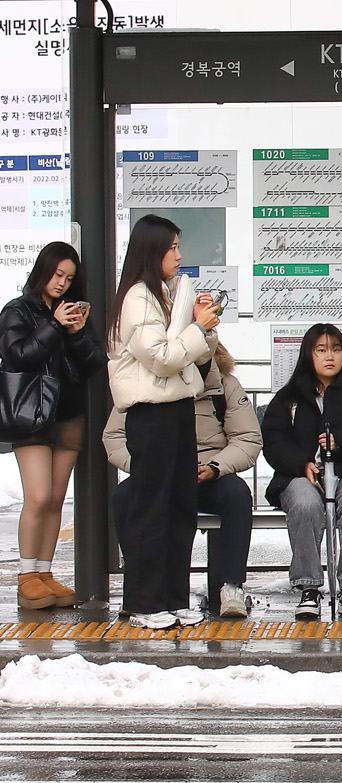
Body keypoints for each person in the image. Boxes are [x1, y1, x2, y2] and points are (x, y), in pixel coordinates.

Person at [105, 213, 221, 629]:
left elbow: (195, 356)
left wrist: (204, 327)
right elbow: (164, 357)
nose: (179, 254)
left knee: (180, 506)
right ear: (153, 250)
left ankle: (172, 597)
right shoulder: (137, 297)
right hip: (149, 414)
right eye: (172, 247)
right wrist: (195, 329)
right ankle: (142, 602)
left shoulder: (166, 295)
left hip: (176, 408)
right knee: (151, 507)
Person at [105, 342, 260, 618]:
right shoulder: (141, 383)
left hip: (208, 473)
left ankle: (231, 586)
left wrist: (215, 467)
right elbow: (114, 437)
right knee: (124, 496)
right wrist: (144, 467)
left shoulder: (225, 385)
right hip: (156, 473)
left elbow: (247, 438)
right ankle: (141, 583)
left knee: (237, 494)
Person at [0, 241, 104, 609]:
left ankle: (45, 572)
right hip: (31, 415)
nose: (62, 283)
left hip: (68, 413)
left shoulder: (71, 311)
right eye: (57, 274)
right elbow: (18, 356)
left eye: (69, 278)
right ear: (43, 270)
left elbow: (94, 362)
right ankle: (26, 576)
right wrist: (54, 327)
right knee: (39, 496)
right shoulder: (18, 310)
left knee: (58, 499)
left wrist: (75, 332)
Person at [263, 324, 342, 621]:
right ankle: (309, 586)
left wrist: (341, 443)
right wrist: (299, 463)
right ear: (309, 354)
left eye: (336, 349)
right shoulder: (289, 397)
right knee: (305, 503)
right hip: (300, 476)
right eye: (321, 350)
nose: (330, 356)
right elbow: (273, 441)